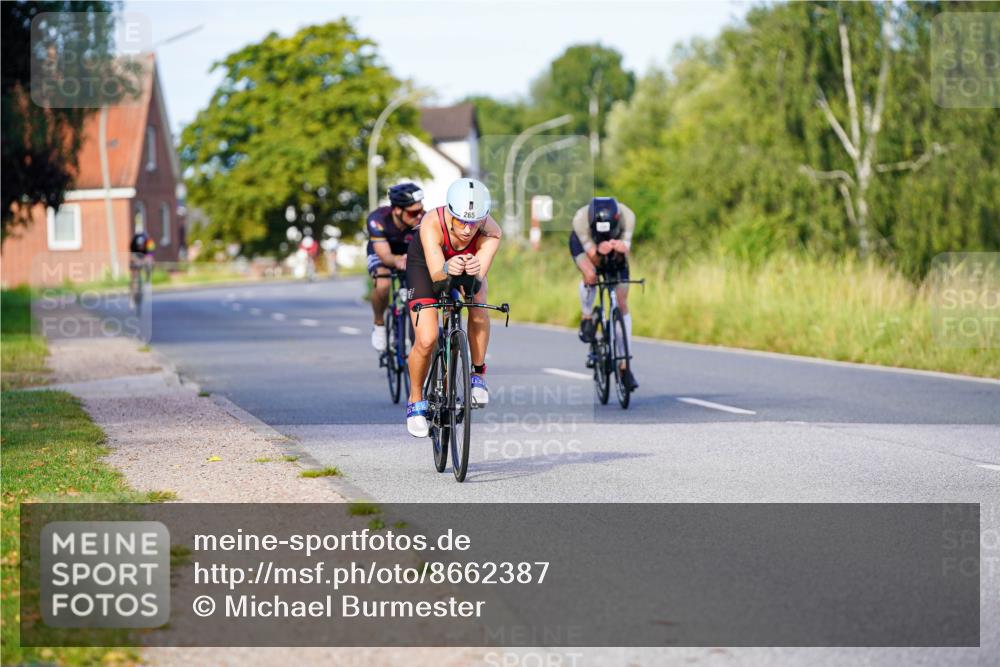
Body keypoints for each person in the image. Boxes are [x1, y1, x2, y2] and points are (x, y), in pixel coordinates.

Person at [404, 178, 502, 437]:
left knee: (478, 305)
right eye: (461, 221)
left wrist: (472, 270)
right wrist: (449, 267)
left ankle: (477, 374)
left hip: (464, 264)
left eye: (475, 222)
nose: (468, 229)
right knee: (427, 338)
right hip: (426, 268)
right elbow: (437, 273)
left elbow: (478, 276)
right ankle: (415, 401)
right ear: (449, 212)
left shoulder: (491, 230)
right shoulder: (431, 223)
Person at [569, 196, 639, 391]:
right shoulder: (580, 220)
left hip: (614, 246)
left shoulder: (628, 217)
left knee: (622, 303)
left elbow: (626, 250)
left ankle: (625, 366)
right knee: (591, 275)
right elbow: (592, 257)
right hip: (587, 245)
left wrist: (619, 249)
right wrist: (599, 252)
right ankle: (587, 315)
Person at [366, 183, 425, 351]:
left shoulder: (424, 220)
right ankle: (379, 324)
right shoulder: (377, 219)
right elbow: (385, 256)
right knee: (383, 284)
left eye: (421, 210)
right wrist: (398, 260)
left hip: (409, 253)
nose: (419, 215)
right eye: (414, 212)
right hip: (382, 252)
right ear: (398, 210)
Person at [128, 228, 155, 303]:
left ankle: (147, 281)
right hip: (136, 256)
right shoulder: (133, 243)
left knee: (149, 264)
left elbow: (151, 254)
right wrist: (136, 261)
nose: (141, 247)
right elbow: (132, 255)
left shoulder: (149, 242)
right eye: (139, 245)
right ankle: (132, 291)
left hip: (144, 256)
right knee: (134, 271)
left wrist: (148, 260)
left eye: (142, 245)